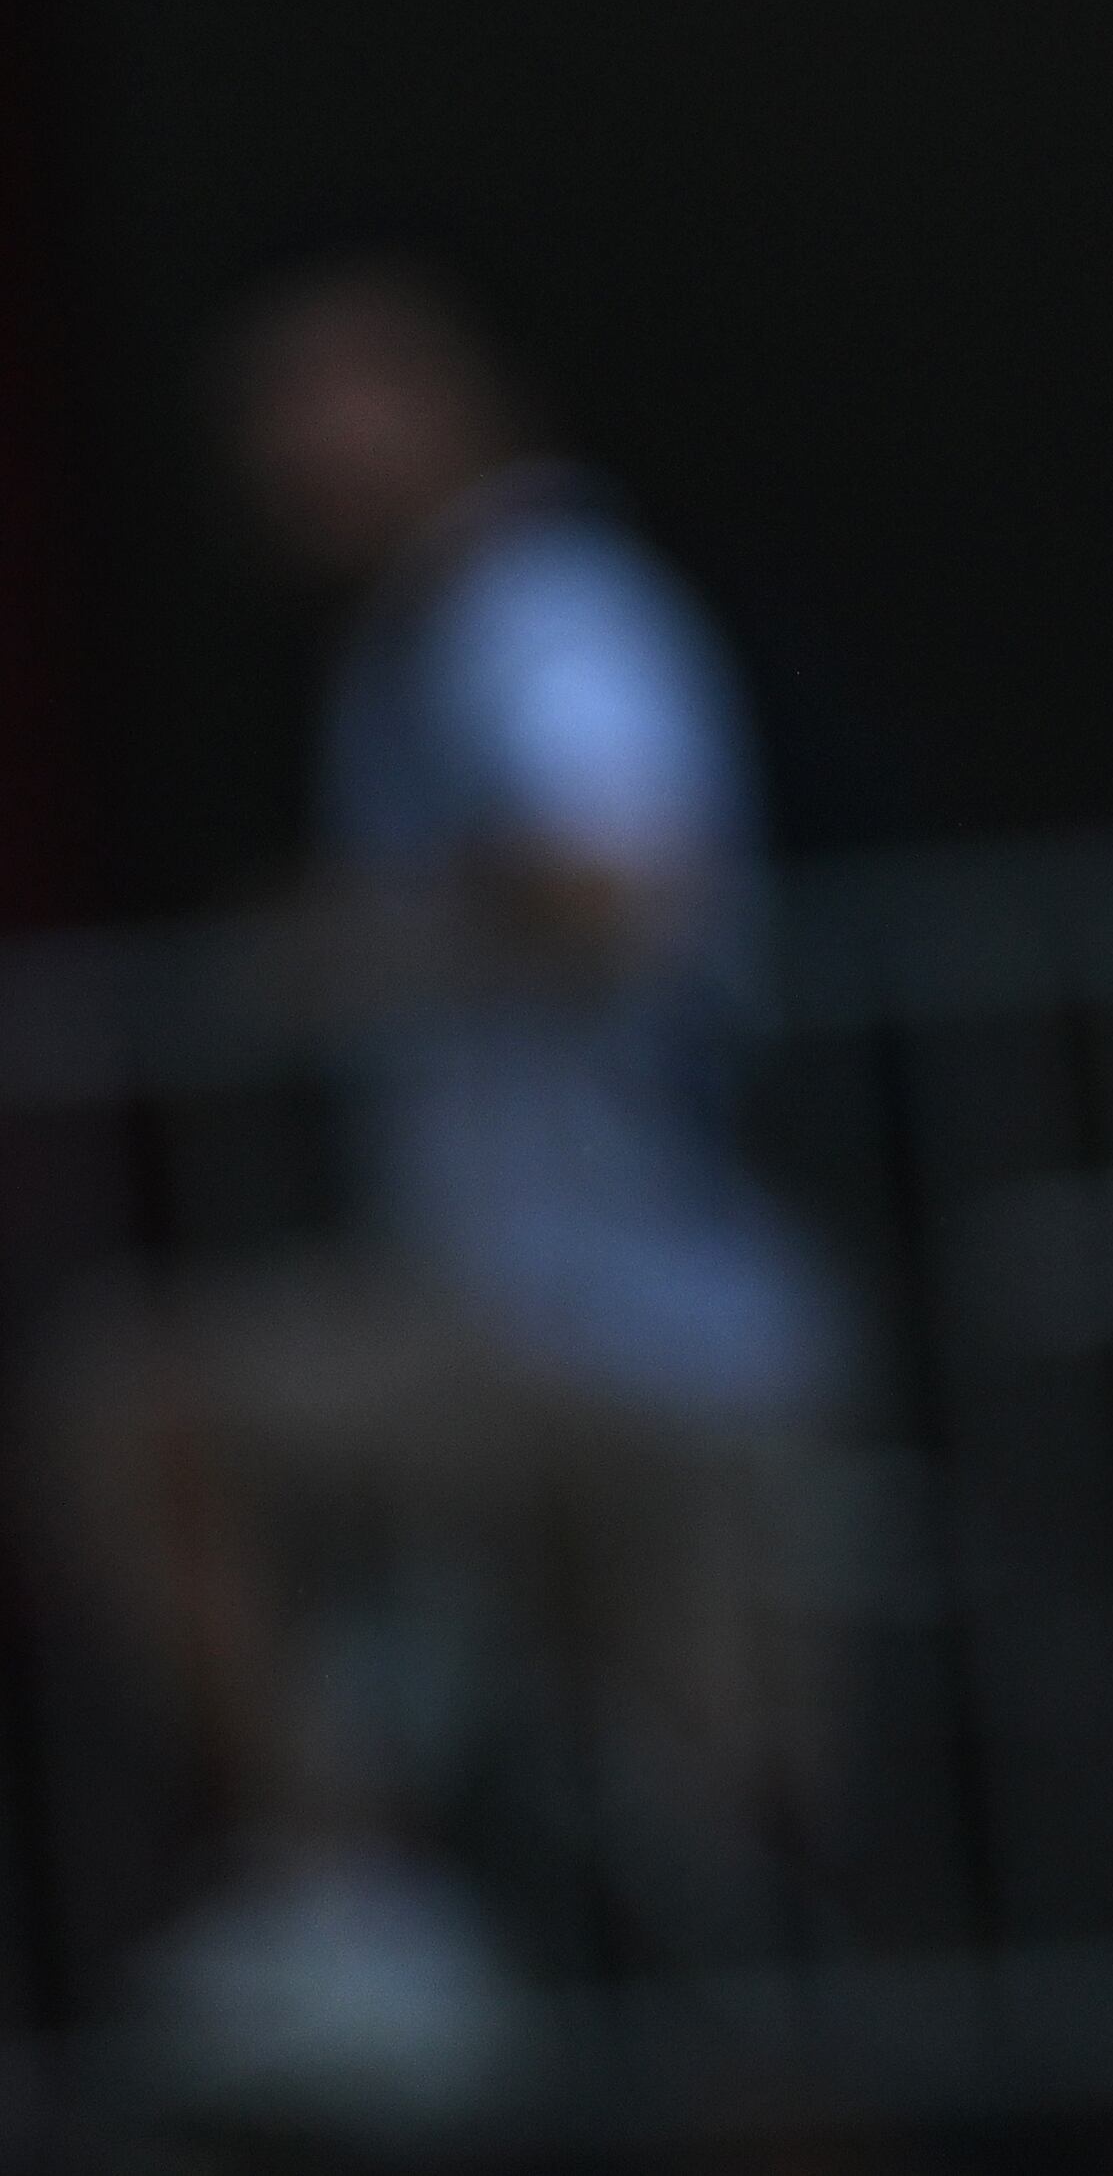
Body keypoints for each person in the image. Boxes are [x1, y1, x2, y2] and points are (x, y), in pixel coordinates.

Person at [35, 262, 838, 2129]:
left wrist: (351, 944)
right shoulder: (434, 634)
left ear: (463, 388)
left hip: (627, 1328)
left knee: (746, 1944)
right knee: (715, 1926)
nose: (304, 444)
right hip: (553, 1324)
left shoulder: (536, 606)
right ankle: (365, 1886)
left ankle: (356, 1886)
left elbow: (614, 873)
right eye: (278, 407)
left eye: (347, 390)